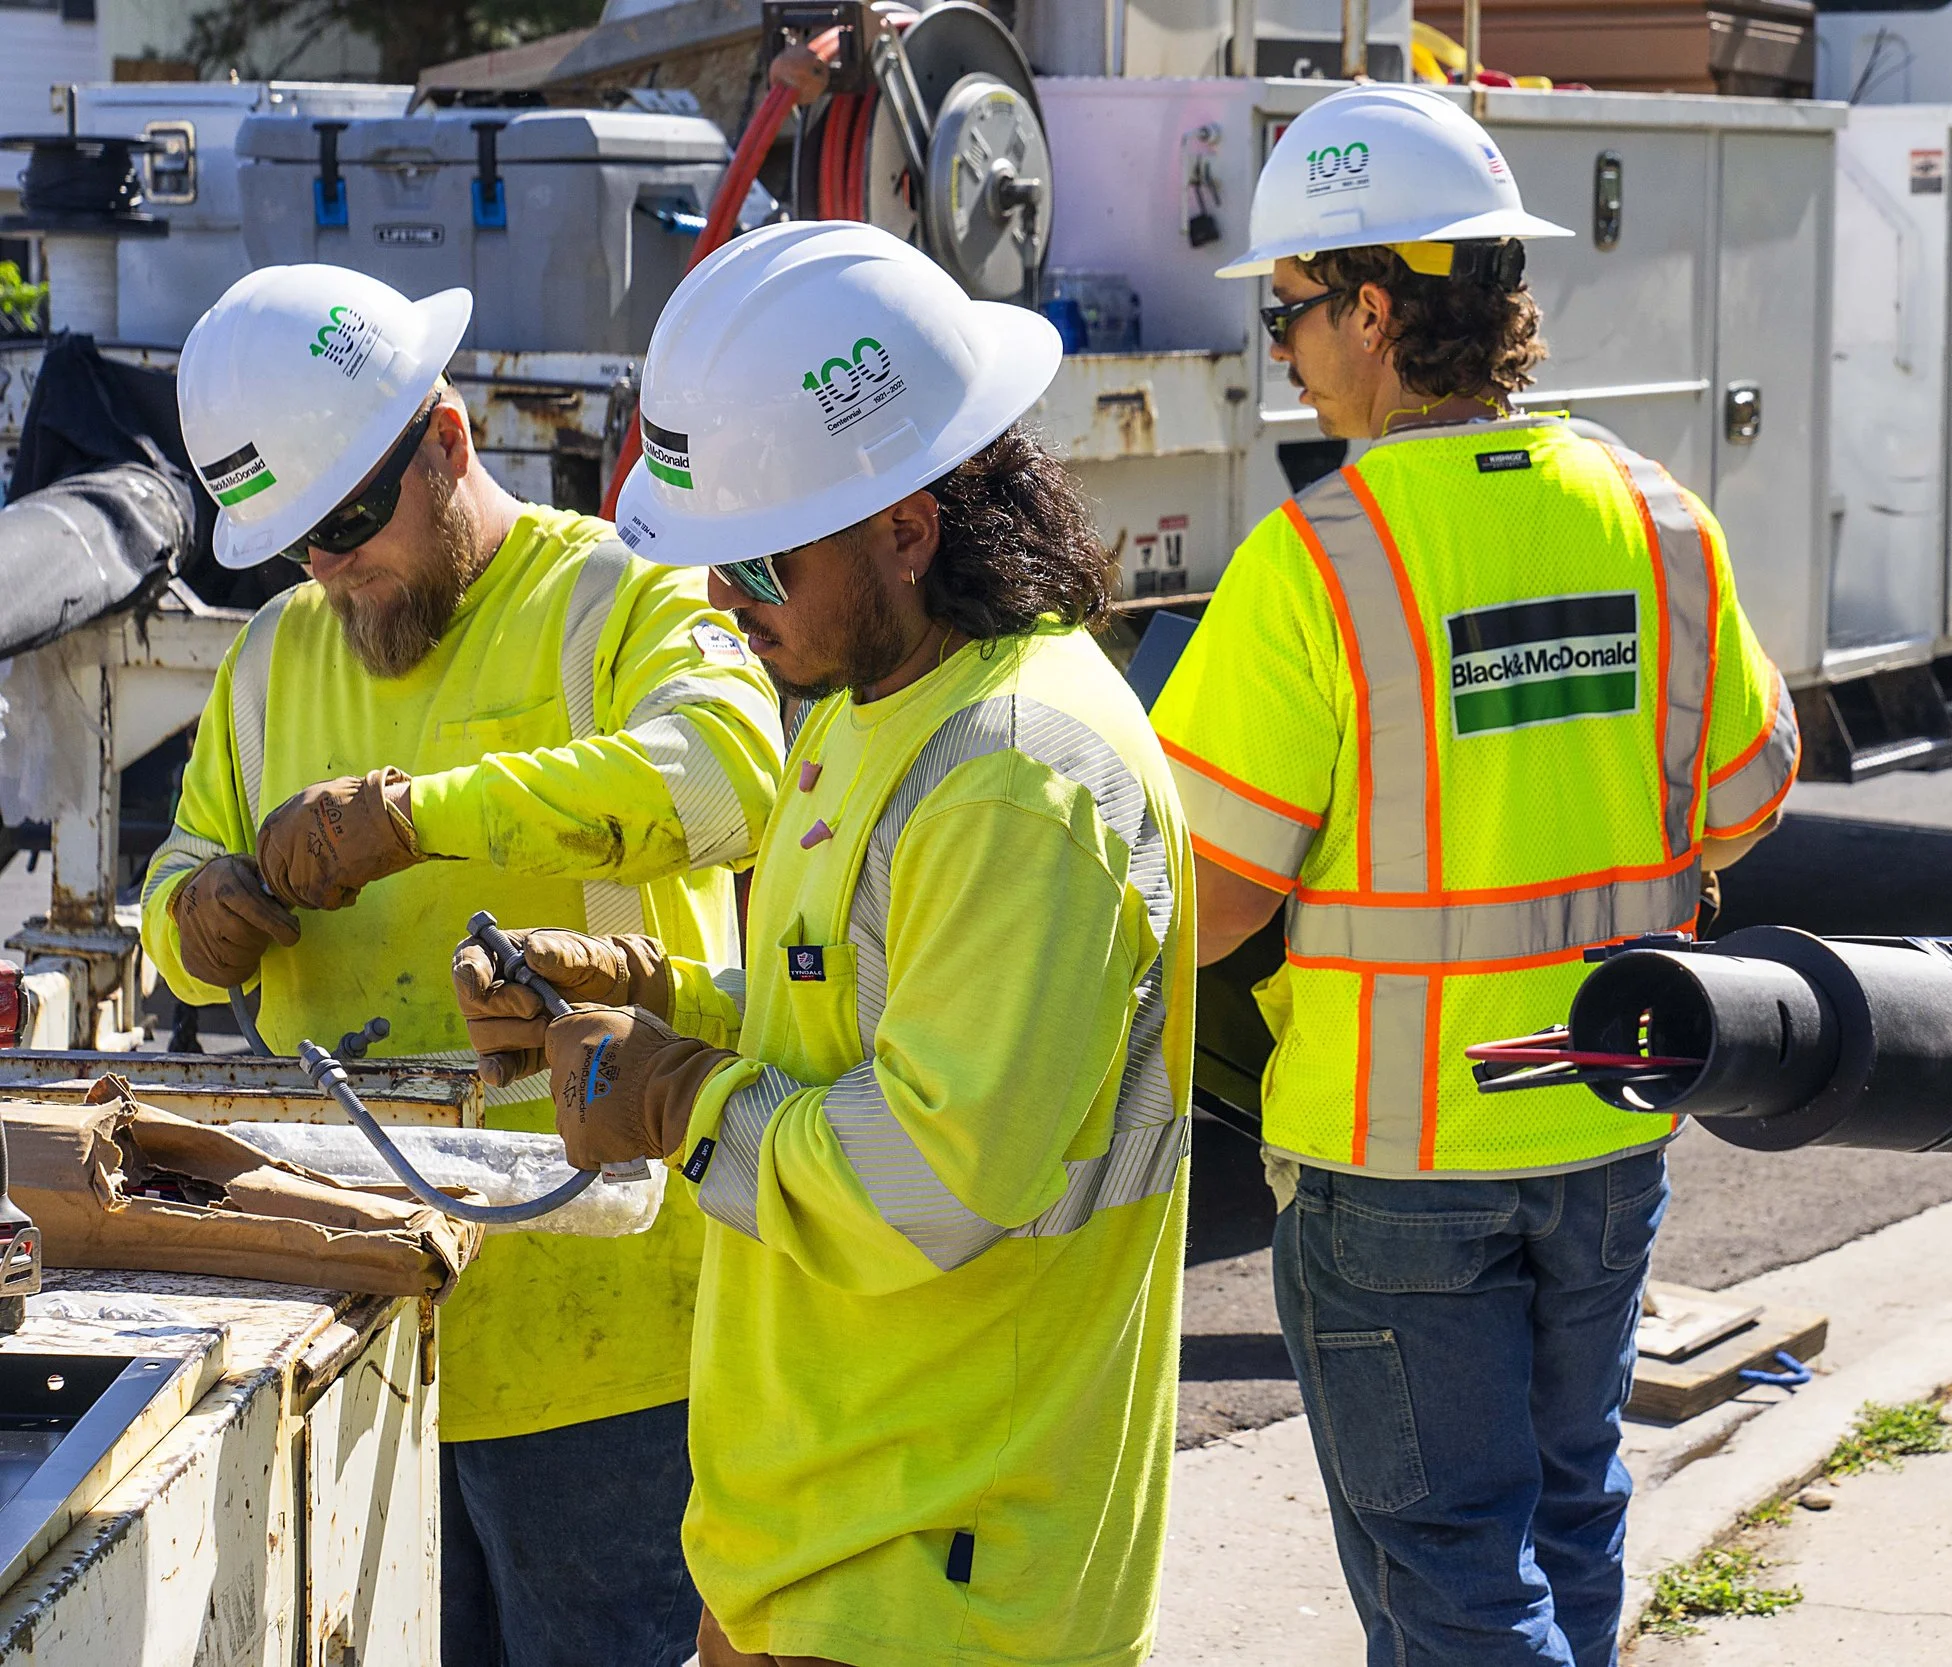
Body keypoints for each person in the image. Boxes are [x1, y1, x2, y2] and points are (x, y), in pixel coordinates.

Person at [450, 221, 1194, 1667]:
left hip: (942, 1570)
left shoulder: (1022, 773)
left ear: (909, 526)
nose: (727, 600)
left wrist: (673, 1097)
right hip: (830, 1533)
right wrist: (654, 987)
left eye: (761, 562)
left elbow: (932, 1170)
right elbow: (852, 1013)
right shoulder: (875, 700)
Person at [1151, 84, 1799, 1666]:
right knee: (1567, 1511)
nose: (1285, 351)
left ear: (1374, 309)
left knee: (1452, 1571)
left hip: (1395, 1159)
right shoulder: (1656, 519)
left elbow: (1212, 897)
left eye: (1293, 312)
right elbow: (1750, 796)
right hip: (1610, 1116)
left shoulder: (1321, 557)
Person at [141, 265, 785, 1667]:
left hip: (609, 1356)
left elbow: (738, 770)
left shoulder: (612, 597)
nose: (328, 567)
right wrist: (203, 920)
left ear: (447, 440)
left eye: (352, 521)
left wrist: (417, 816)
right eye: (294, 541)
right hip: (360, 1332)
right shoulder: (270, 661)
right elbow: (175, 882)